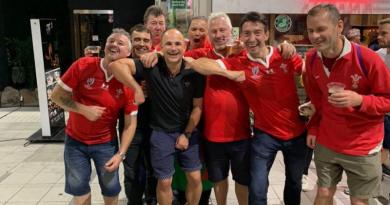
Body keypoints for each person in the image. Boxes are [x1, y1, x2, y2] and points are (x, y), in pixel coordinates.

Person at [109, 28, 244, 205]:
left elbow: (197, 108)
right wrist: (136, 88)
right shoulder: (152, 66)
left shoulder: (194, 72)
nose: (173, 48)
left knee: (195, 178)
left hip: (188, 131)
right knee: (164, 180)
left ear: (185, 46)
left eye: (178, 44)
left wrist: (186, 134)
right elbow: (115, 66)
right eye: (169, 44)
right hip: (160, 133)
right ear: (161, 47)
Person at [188, 11, 307, 205]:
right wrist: (231, 74)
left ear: (266, 34)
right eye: (247, 34)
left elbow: (307, 74)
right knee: (257, 187)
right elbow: (199, 64)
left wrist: (315, 108)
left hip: (293, 132)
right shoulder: (239, 61)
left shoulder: (283, 55)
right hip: (262, 135)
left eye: (257, 33)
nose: (252, 38)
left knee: (293, 183)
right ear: (241, 36)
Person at [304, 4, 390, 205]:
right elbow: (317, 99)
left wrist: (360, 100)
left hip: (363, 144)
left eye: (321, 29)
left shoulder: (368, 59)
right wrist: (314, 128)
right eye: (310, 30)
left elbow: (387, 100)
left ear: (339, 26)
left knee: (359, 201)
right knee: (323, 193)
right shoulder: (311, 59)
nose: (315, 36)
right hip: (328, 139)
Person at [50, 28, 138, 205]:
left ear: (128, 53)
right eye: (110, 41)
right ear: (104, 47)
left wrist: (121, 154)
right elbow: (56, 96)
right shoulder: (83, 65)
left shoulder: (128, 83)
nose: (114, 44)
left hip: (106, 144)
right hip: (75, 142)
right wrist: (83, 109)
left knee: (111, 189)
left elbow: (130, 124)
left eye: (120, 43)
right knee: (79, 189)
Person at [116, 24, 157, 205]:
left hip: (155, 126)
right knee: (132, 171)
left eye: (146, 40)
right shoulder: (121, 64)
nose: (141, 44)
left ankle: (152, 199)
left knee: (154, 169)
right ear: (131, 43)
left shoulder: (157, 63)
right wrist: (135, 89)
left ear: (152, 43)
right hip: (129, 127)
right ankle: (134, 201)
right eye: (137, 40)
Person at [377, 17, 390, 175]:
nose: (379, 36)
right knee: (381, 148)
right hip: (382, 112)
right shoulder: (377, 55)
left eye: (384, 33)